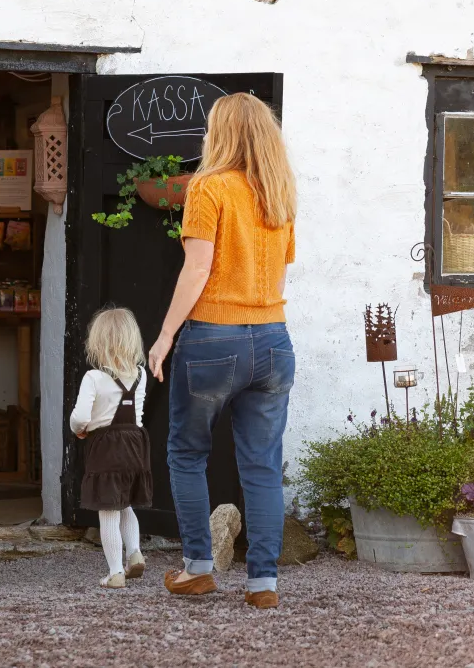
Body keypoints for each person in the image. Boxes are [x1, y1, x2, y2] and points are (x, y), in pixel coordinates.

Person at [147, 92, 297, 609]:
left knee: (187, 454)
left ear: (222, 133)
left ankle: (199, 568)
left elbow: (197, 269)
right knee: (262, 464)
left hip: (214, 336)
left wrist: (165, 335)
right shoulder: (279, 192)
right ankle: (263, 585)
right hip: (274, 338)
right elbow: (280, 268)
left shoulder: (208, 187)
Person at [70, 307, 154, 589]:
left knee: (107, 510)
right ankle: (135, 553)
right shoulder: (141, 375)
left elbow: (81, 417)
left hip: (106, 447)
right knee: (125, 502)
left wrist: (78, 429)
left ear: (98, 342)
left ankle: (116, 572)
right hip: (136, 446)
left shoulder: (94, 378)